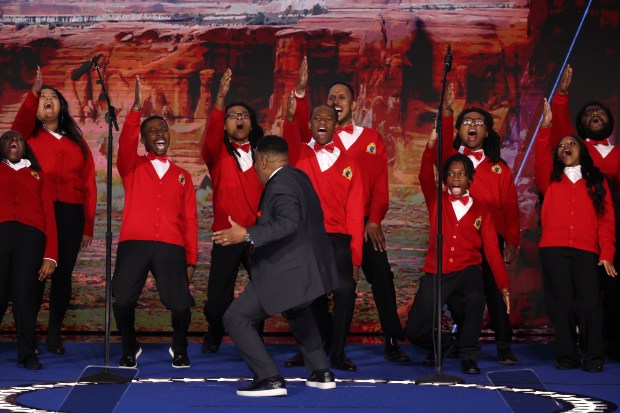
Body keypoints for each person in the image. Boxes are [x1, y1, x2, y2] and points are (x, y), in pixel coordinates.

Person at [293, 58, 409, 362]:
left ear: (353, 102)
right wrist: (301, 93)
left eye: (341, 96)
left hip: (364, 223)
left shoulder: (371, 139)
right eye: (331, 98)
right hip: (329, 228)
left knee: (382, 277)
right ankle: (323, 343)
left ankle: (392, 341)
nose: (335, 101)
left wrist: (374, 220)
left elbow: (380, 187)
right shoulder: (313, 141)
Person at [214, 135, 339, 397]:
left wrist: (246, 235)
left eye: (256, 161)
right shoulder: (299, 177)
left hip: (286, 270)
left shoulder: (279, 185)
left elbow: (289, 222)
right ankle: (321, 371)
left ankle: (268, 377)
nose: (255, 167)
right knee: (297, 310)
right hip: (307, 266)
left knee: (235, 317)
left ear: (262, 161)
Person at [405, 128, 510, 374]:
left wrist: (503, 285)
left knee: (475, 301)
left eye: (461, 174)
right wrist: (430, 147)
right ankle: (446, 345)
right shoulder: (436, 200)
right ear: (444, 179)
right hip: (437, 271)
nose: (455, 178)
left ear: (469, 179)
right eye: (451, 174)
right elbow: (423, 175)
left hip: (467, 271)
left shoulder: (482, 210)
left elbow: (493, 252)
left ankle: (468, 356)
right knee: (413, 330)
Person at [112, 76, 198, 369]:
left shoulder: (182, 175)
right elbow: (124, 141)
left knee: (181, 304)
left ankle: (180, 346)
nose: (159, 134)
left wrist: (191, 258)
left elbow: (190, 219)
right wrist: (136, 108)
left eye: (163, 129)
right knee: (122, 300)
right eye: (152, 131)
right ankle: (129, 346)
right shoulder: (131, 166)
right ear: (144, 139)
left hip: (171, 246)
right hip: (134, 243)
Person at [11, 67, 96, 355]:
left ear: (62, 106)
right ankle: (29, 332)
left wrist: (88, 225)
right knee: (36, 274)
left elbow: (89, 184)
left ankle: (55, 333)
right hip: (38, 214)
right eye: (42, 98)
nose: (47, 99)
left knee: (62, 275)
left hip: (71, 213)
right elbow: (19, 124)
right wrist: (32, 93)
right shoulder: (27, 138)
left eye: (52, 96)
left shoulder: (77, 142)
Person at [282, 98, 364, 371]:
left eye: (328, 119)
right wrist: (297, 104)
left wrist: (355, 261)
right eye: (317, 118)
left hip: (337, 239)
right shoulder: (298, 154)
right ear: (310, 124)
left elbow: (354, 213)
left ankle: (337, 352)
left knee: (344, 291)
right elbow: (289, 131)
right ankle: (309, 349)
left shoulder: (351, 163)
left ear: (335, 126)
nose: (322, 123)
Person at [440, 84, 520, 364]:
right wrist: (448, 113)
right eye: (467, 122)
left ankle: (504, 346)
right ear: (460, 130)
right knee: (457, 295)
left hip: (491, 240)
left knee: (497, 293)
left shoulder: (500, 168)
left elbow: (510, 207)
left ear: (487, 132)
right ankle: (464, 340)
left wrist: (511, 241)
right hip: (458, 240)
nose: (472, 126)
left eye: (479, 123)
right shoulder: (450, 162)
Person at [536, 98, 616, 372]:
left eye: (571, 143)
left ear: (582, 149)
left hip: (587, 251)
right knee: (561, 305)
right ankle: (567, 356)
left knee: (591, 305)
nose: (566, 147)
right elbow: (540, 155)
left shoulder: (596, 180)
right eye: (561, 145)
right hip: (553, 249)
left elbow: (606, 220)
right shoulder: (549, 178)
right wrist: (546, 128)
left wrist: (607, 253)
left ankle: (594, 357)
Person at [550, 65, 620, 361]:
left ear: (611, 122)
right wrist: (562, 96)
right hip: (582, 235)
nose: (595, 115)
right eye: (589, 113)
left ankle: (612, 345)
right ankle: (579, 346)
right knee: (580, 297)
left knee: (615, 294)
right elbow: (560, 132)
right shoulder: (579, 155)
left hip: (613, 232)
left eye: (601, 113)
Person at [200, 68, 264, 354]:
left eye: (244, 116)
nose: (239, 119)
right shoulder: (218, 155)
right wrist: (220, 101)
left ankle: (255, 340)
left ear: (252, 124)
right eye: (233, 116)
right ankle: (215, 330)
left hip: (256, 236)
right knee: (216, 299)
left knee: (261, 291)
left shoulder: (265, 154)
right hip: (226, 235)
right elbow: (211, 136)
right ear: (225, 125)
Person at [0, 130, 57, 370]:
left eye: (19, 140)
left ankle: (27, 353)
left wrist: (51, 255)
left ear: (24, 147)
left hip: (30, 238)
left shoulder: (38, 175)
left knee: (24, 296)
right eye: (8, 139)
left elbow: (49, 217)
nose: (14, 142)